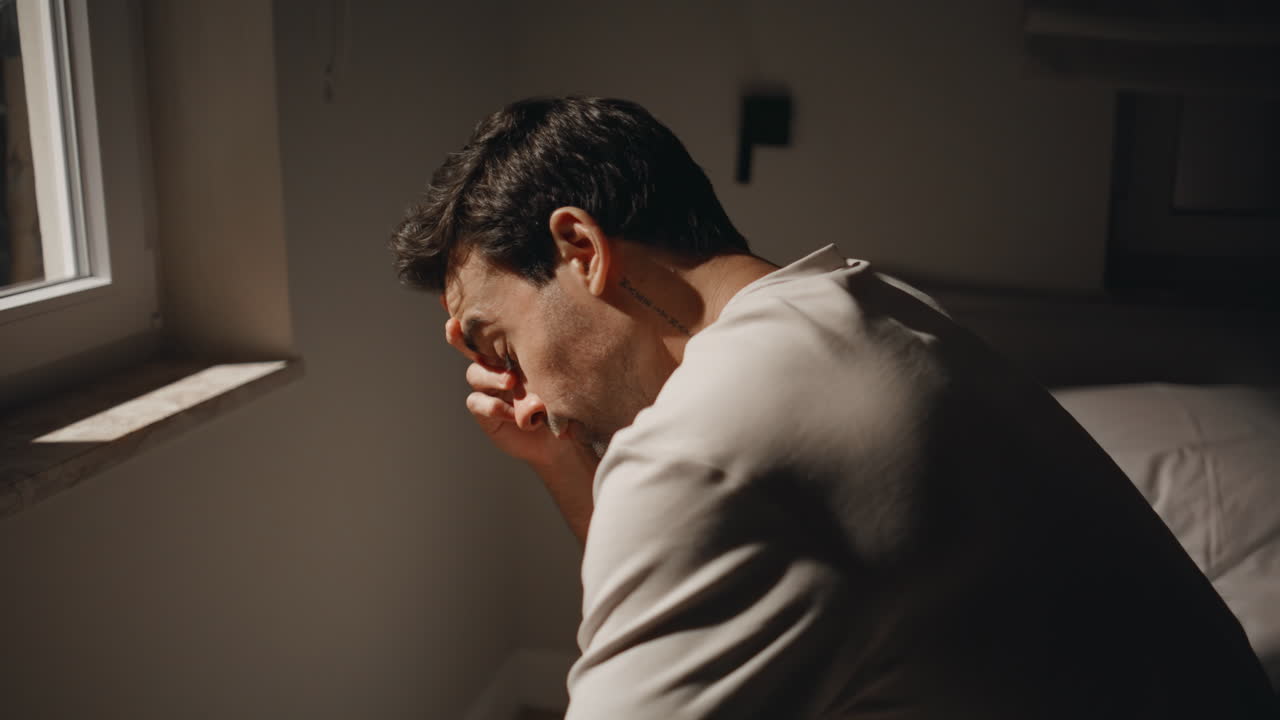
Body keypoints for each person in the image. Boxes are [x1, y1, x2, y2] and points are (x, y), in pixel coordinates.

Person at [389, 97, 1277, 718]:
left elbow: (692, 515)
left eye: (499, 343)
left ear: (581, 247)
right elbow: (684, 603)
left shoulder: (707, 445)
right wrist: (559, 460)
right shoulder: (871, 307)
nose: (520, 389)